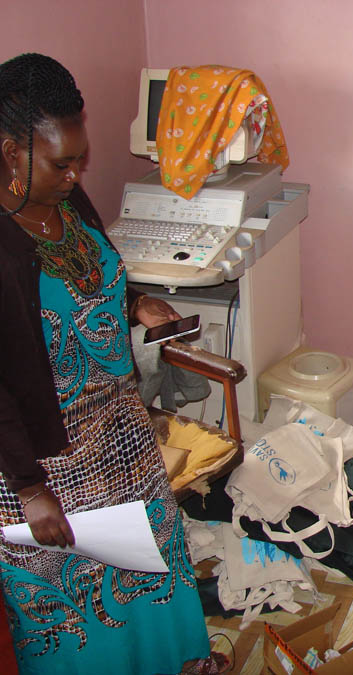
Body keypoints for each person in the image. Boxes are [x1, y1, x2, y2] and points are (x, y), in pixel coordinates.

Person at [0, 53, 222, 674]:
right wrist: (29, 489)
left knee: (157, 568)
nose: (76, 174)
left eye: (80, 159)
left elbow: (91, 287)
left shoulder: (64, 204)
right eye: (60, 163)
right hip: (46, 463)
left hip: (121, 443)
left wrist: (136, 304)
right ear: (11, 152)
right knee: (76, 609)